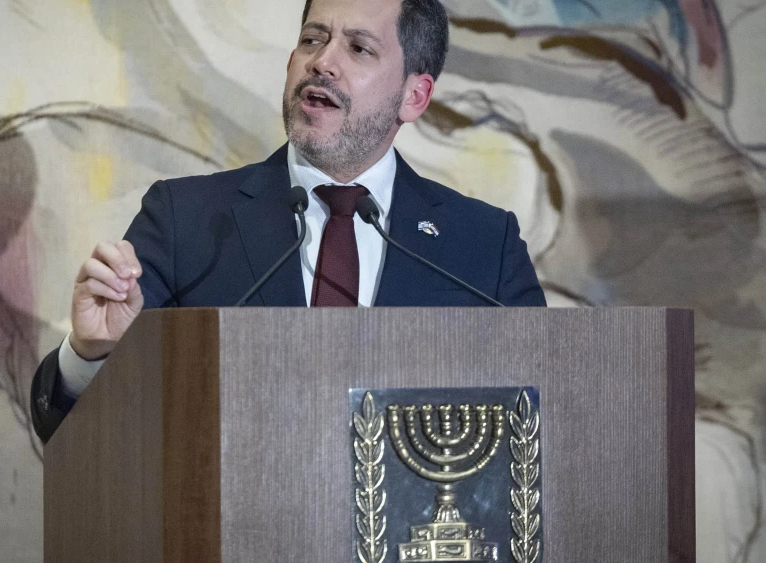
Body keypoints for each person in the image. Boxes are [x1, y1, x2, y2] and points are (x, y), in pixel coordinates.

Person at [31, 0, 547, 443]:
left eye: (359, 48)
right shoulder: (185, 221)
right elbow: (71, 430)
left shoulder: (484, 246)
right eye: (311, 39)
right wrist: (92, 354)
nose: (323, 63)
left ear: (414, 96)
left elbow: (545, 419)